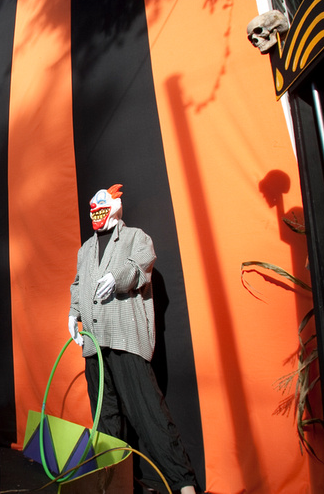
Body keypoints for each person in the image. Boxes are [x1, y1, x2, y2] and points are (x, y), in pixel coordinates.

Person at [67, 184, 197, 494]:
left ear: (113, 207)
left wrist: (117, 278)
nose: (95, 212)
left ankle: (185, 484)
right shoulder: (85, 249)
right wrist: (73, 314)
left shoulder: (136, 237)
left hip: (125, 338)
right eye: (92, 208)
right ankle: (114, 484)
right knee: (105, 418)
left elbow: (140, 266)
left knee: (148, 414)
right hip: (94, 344)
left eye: (101, 206)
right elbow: (77, 284)